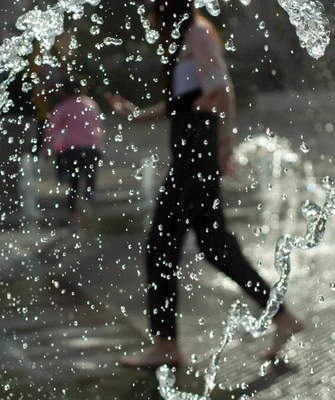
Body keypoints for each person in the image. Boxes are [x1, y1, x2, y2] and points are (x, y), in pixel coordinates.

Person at [105, 0, 304, 368]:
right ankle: (283, 317)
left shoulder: (196, 32)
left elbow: (222, 90)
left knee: (160, 246)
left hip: (198, 153)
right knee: (216, 247)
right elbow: (183, 102)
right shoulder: (184, 39)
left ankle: (166, 346)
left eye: (151, 7)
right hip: (191, 152)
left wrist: (224, 146)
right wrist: (136, 114)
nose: (148, 15)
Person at [44, 79, 104, 231]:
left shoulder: (62, 107)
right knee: (90, 181)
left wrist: (49, 149)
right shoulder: (91, 104)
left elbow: (52, 130)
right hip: (92, 149)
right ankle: (89, 211)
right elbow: (98, 126)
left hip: (71, 150)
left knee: (74, 184)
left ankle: (74, 219)